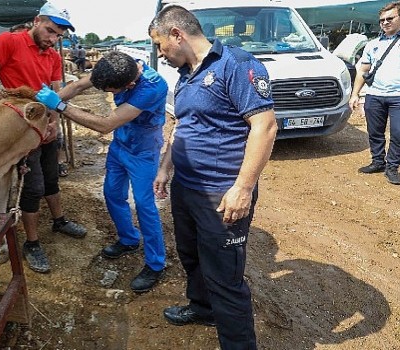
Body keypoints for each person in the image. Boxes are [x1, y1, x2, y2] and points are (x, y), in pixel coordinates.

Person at [148, 5, 277, 350]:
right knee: (191, 257)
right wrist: (165, 167)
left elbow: (264, 127)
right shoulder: (186, 74)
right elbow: (183, 127)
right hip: (186, 188)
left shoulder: (236, 65)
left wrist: (243, 188)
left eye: (161, 45)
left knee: (224, 277)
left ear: (177, 34)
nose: (161, 54)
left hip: (221, 193)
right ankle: (203, 309)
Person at [36, 51, 169, 293]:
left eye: (111, 92)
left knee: (144, 204)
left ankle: (155, 263)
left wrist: (60, 106)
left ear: (128, 85)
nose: (108, 94)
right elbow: (77, 86)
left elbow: (105, 124)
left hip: (143, 150)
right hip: (121, 144)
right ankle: (129, 239)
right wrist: (47, 103)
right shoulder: (115, 66)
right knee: (112, 194)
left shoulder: (152, 87)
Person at [0, 1, 87, 273]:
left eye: (58, 35)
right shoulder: (9, 41)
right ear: (37, 21)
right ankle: (32, 243)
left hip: (45, 122)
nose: (53, 39)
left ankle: (59, 220)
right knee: (32, 185)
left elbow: (56, 92)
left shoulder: (53, 55)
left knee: (51, 177)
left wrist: (54, 121)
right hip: (22, 128)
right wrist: (5, 105)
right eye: (50, 31)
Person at [349, 1, 400, 185]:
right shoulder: (372, 44)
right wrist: (355, 94)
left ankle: (392, 167)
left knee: (399, 133)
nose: (385, 23)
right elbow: (363, 70)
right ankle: (377, 161)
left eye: (390, 18)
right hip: (375, 94)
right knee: (374, 132)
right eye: (382, 20)